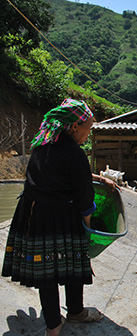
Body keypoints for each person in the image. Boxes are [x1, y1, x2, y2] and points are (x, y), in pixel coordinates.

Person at [1, 99, 116, 336]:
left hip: (34, 214)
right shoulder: (75, 154)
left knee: (47, 271)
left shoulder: (43, 146)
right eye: (88, 128)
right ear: (75, 127)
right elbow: (85, 200)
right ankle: (76, 311)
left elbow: (61, 170)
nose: (89, 134)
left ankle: (53, 326)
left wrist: (99, 177)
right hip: (62, 215)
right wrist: (87, 226)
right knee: (73, 261)